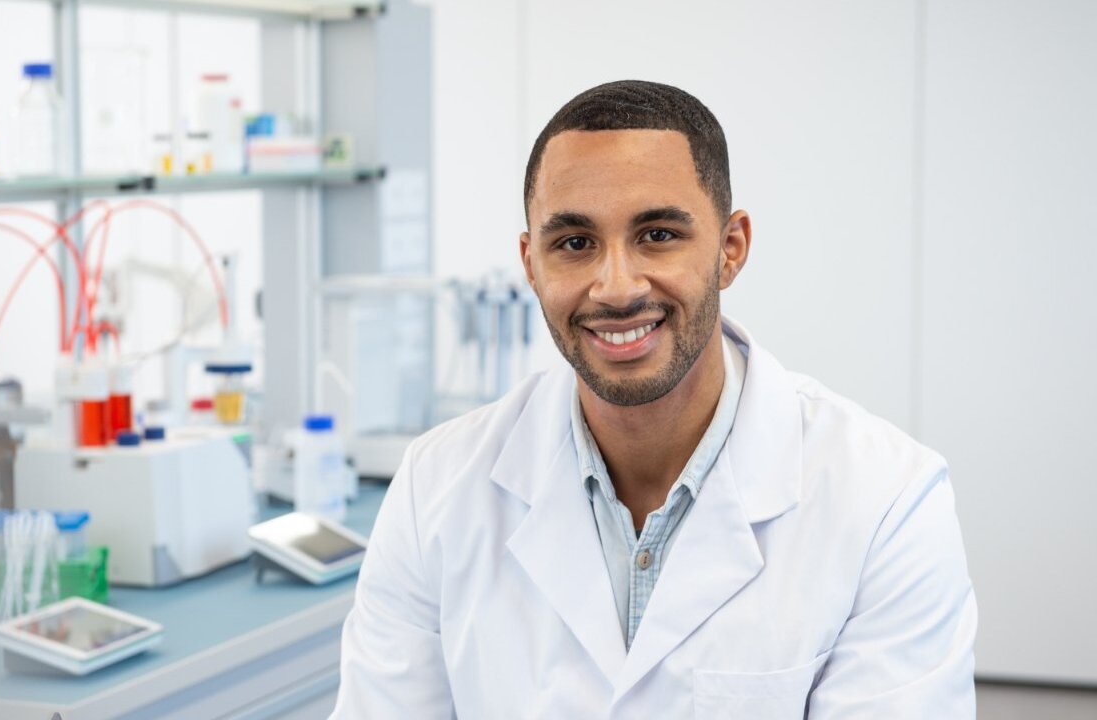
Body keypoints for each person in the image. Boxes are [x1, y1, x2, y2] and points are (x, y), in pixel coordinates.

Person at [332, 80, 976, 718]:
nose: (615, 287)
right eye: (575, 243)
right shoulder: (435, 488)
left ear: (731, 248)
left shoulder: (887, 500)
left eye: (658, 234)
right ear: (531, 264)